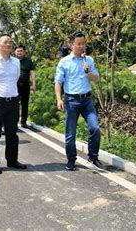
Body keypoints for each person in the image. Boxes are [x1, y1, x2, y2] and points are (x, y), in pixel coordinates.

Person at [54, 31, 101, 171]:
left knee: (95, 128)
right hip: (71, 101)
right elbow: (58, 82)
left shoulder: (89, 60)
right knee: (70, 133)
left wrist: (88, 72)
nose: (81, 47)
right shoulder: (64, 62)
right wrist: (58, 99)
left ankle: (93, 157)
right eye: (78, 44)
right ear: (71, 45)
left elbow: (96, 79)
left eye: (83, 44)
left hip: (86, 100)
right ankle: (71, 160)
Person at [0, 35, 27, 174]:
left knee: (12, 133)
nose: (8, 44)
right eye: (5, 42)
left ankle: (12, 160)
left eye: (10, 42)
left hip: (13, 100)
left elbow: (16, 78)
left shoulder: (16, 62)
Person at [15, 44, 36, 128]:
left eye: (21, 51)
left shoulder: (28, 61)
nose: (19, 52)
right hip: (14, 86)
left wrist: (33, 84)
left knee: (25, 104)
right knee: (14, 104)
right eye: (18, 51)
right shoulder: (12, 60)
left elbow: (32, 72)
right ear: (15, 52)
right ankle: (14, 122)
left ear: (24, 52)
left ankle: (23, 122)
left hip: (25, 85)